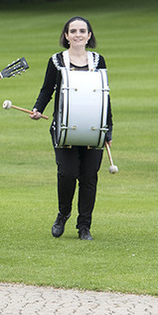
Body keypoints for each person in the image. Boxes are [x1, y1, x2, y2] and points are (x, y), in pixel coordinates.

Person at [31, 16, 113, 241]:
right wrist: (38, 108)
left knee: (89, 177)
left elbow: (103, 95)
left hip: (94, 128)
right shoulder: (57, 60)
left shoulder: (98, 60)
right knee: (67, 174)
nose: (78, 34)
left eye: (82, 31)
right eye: (73, 31)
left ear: (89, 35)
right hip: (64, 128)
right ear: (66, 36)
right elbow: (47, 89)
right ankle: (63, 213)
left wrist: (108, 129)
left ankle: (84, 226)